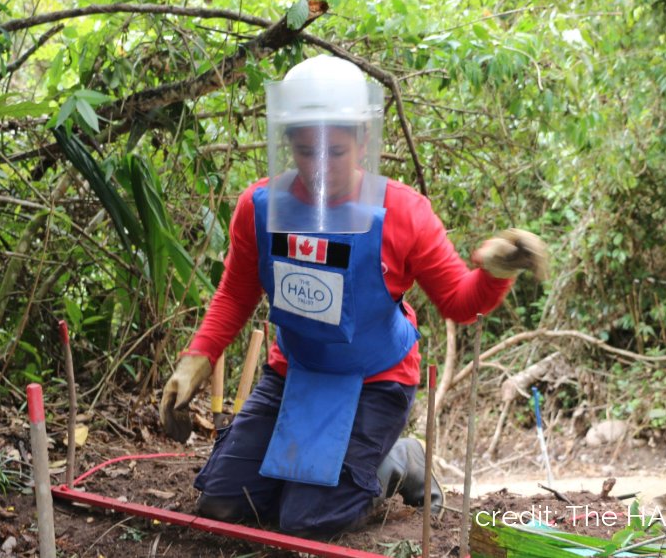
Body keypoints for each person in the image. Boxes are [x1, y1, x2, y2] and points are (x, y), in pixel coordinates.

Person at [158, 54, 547, 539]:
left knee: (307, 522)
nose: (319, 169)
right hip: (294, 372)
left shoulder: (404, 212)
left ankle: (398, 458)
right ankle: (302, 472)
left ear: (363, 140)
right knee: (221, 506)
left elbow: (458, 302)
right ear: (288, 145)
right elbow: (236, 294)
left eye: (335, 153)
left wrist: (493, 272)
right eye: (304, 152)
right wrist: (198, 356)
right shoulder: (260, 208)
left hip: (376, 381)